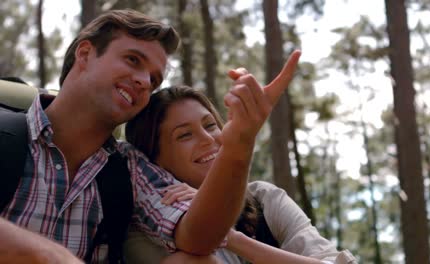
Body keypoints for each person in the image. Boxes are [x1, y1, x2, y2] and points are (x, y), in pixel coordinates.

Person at [0, 9, 301, 263]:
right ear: (85, 54)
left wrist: (238, 145)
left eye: (154, 79)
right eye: (133, 60)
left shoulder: (128, 166)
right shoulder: (7, 130)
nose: (144, 81)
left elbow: (197, 238)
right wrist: (50, 256)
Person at [124, 86, 357, 264]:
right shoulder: (145, 230)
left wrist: (233, 238)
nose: (208, 138)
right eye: (185, 135)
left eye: (211, 125)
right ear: (153, 160)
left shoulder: (264, 199)